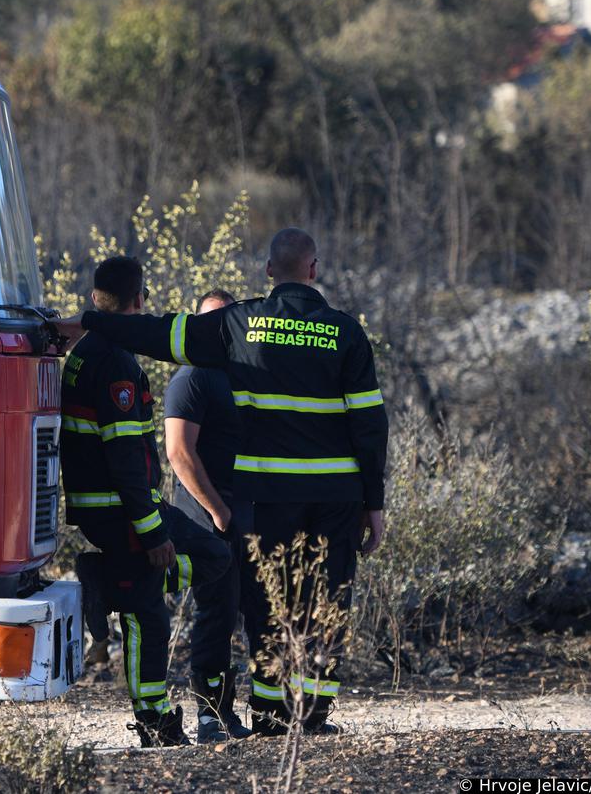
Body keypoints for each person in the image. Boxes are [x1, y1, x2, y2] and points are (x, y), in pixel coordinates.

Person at [51, 229, 388, 736]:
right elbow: (370, 423)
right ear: (314, 271)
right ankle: (314, 716)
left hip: (269, 496)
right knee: (328, 598)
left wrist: (91, 323)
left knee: (268, 601)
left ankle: (271, 716)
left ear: (269, 271)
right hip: (337, 496)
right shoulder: (347, 333)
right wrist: (374, 502)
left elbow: (158, 334)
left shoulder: (240, 324)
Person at [60, 257, 231, 747]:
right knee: (148, 619)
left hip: (117, 507)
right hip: (122, 511)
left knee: (216, 556)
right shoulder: (114, 360)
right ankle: (154, 721)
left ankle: (106, 582)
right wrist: (152, 531)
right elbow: (124, 459)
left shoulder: (88, 350)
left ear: (96, 299)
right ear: (140, 300)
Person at [164, 288, 254, 743]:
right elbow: (179, 452)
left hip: (247, 513)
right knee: (215, 614)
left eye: (226, 320)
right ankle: (211, 717)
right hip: (207, 518)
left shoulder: (243, 373)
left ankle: (264, 714)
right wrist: (218, 510)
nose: (217, 330)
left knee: (250, 610)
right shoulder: (193, 377)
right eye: (209, 321)